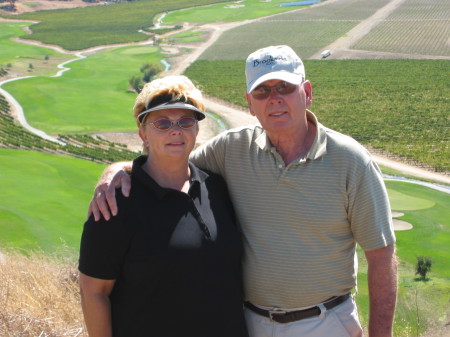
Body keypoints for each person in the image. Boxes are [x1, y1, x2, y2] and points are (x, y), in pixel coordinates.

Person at [89, 46, 398, 337]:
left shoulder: (351, 161)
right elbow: (168, 161)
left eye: (285, 88)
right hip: (251, 323)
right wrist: (116, 170)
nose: (274, 99)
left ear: (307, 93)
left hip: (324, 322)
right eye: (262, 91)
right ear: (250, 104)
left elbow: (382, 258)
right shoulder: (232, 149)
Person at [78, 75, 248, 337]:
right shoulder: (116, 203)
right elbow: (93, 292)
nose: (175, 130)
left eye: (185, 121)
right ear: (143, 133)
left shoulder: (216, 188)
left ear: (197, 129)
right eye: (162, 123)